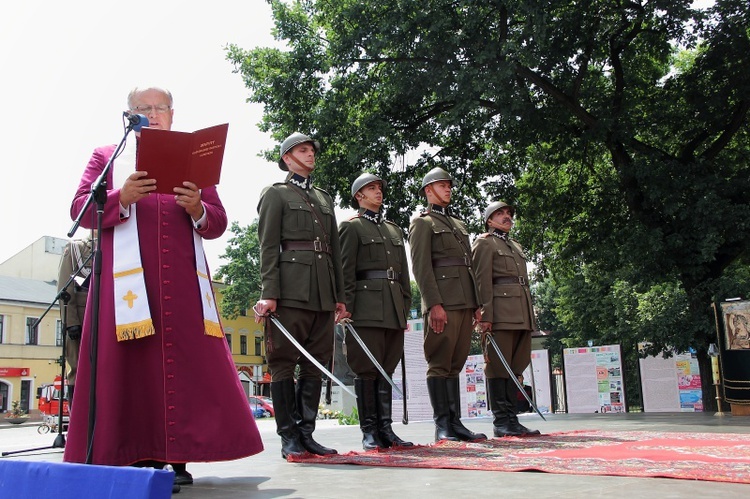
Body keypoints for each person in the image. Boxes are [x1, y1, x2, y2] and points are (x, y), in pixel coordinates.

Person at [62, 86, 263, 489]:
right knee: (131, 366)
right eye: (143, 108)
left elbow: (218, 222)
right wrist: (121, 196)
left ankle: (177, 457)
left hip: (183, 285)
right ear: (128, 115)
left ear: (173, 114)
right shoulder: (109, 157)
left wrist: (197, 208)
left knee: (182, 368)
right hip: (125, 289)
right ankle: (131, 454)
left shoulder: (193, 159)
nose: (152, 114)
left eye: (160, 108)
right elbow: (79, 209)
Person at [254, 132, 348, 459]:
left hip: (322, 293)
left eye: (311, 150)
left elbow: (334, 250)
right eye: (302, 150)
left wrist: (339, 295)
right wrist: (270, 293)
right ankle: (288, 437)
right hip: (290, 290)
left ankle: (307, 433)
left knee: (316, 364)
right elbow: (268, 246)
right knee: (283, 364)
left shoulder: (324, 198)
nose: (310, 155)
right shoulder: (275, 194)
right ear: (287, 158)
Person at [409, 167, 486, 442]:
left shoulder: (458, 224)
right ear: (428, 190)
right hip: (443, 300)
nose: (448, 188)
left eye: (449, 185)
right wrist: (434, 304)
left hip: (465, 301)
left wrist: (476, 303)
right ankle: (442, 425)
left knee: (456, 363)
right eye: (441, 185)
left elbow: (469, 266)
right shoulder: (422, 222)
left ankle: (456, 423)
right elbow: (421, 267)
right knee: (440, 362)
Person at [339, 172, 413, 450]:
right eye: (371, 188)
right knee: (366, 370)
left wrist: (405, 307)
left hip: (393, 308)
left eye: (379, 188)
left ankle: (386, 429)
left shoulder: (394, 230)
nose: (378, 192)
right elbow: (346, 271)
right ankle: (369, 431)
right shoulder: (351, 227)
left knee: (387, 370)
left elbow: (404, 275)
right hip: (365, 309)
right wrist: (346, 307)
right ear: (359, 196)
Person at [472, 200, 540, 436]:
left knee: (516, 367)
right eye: (499, 214)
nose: (506, 217)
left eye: (509, 213)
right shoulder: (484, 243)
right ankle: (501, 422)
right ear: (489, 220)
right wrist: (485, 314)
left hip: (521, 313)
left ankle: (513, 419)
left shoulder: (516, 246)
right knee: (498, 368)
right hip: (499, 314)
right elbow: (481, 281)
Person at [56, 234, 93, 410]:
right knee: (78, 370)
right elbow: (65, 288)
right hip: (80, 318)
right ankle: (77, 419)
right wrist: (71, 322)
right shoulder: (76, 248)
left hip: (108, 318)